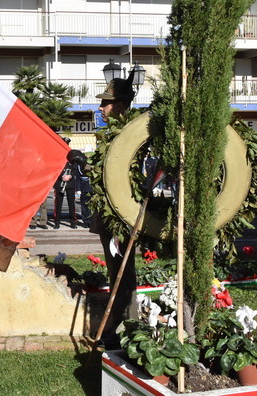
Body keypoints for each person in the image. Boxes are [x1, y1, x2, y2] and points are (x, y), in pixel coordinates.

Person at [90, 72, 138, 348]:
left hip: (119, 217)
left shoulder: (128, 137)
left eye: (106, 103)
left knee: (122, 273)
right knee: (117, 271)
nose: (101, 107)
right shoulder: (115, 135)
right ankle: (122, 325)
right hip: (111, 216)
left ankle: (122, 329)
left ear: (120, 106)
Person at [53, 138, 78, 229]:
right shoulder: (57, 156)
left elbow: (75, 170)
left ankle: (73, 221)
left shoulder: (72, 156)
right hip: (60, 183)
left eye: (67, 144)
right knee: (58, 204)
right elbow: (55, 169)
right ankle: (57, 222)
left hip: (70, 183)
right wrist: (61, 177)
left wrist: (70, 176)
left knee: (71, 203)